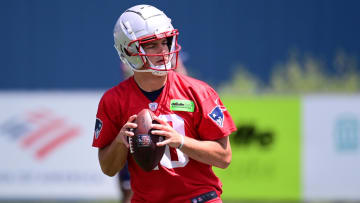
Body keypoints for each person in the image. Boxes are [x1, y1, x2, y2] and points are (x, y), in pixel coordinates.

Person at [92, 4, 236, 203]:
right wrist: (119, 141)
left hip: (199, 198)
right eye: (151, 44)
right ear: (129, 49)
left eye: (165, 42)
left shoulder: (198, 92)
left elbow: (224, 157)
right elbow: (108, 169)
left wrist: (181, 141)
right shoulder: (114, 101)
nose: (163, 50)